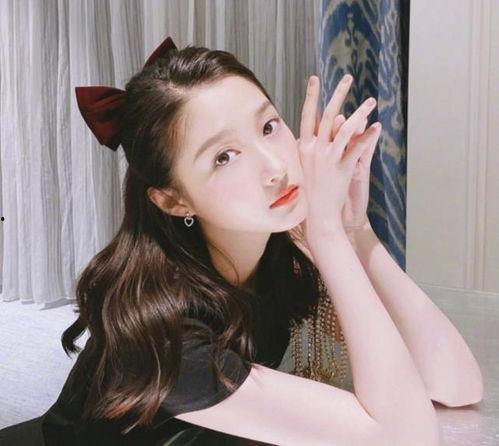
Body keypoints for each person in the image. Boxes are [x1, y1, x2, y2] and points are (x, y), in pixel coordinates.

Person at [0, 36, 440, 445]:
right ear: (174, 201)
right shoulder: (169, 339)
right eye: (224, 157)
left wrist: (356, 231)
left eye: (268, 127)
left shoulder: (278, 248)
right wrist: (328, 233)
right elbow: (407, 437)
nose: (275, 168)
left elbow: (454, 384)